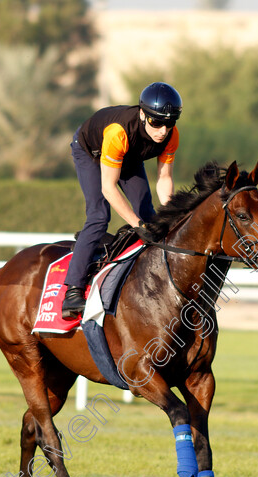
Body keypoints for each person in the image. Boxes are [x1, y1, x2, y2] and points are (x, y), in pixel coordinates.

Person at [61, 82, 183, 319]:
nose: (163, 130)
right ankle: (72, 291)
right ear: (142, 114)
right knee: (99, 216)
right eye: (156, 122)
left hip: (127, 155)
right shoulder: (119, 131)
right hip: (90, 150)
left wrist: (170, 217)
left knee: (150, 215)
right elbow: (108, 188)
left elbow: (164, 179)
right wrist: (137, 225)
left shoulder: (171, 136)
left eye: (169, 123)